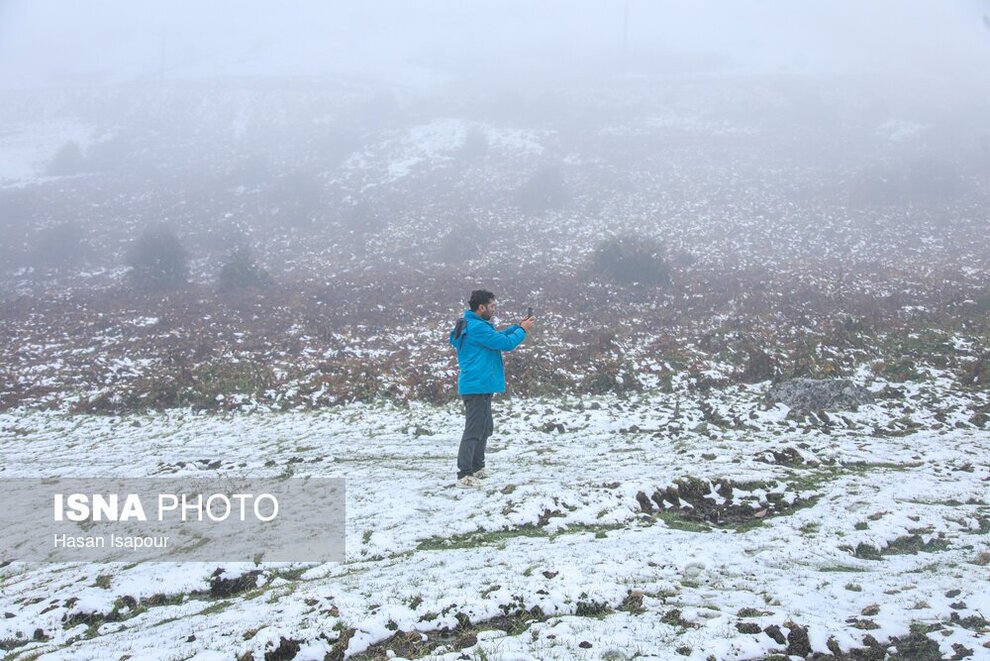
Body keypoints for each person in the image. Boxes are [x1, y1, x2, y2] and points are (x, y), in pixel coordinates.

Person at [448, 289, 535, 488]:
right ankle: (465, 474)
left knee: (485, 428)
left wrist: (517, 326)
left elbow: (496, 337)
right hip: (476, 385)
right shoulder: (477, 327)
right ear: (481, 307)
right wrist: (523, 330)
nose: (494, 309)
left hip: (482, 385)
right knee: (474, 430)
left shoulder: (477, 325)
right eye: (492, 306)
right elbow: (505, 343)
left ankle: (478, 467)